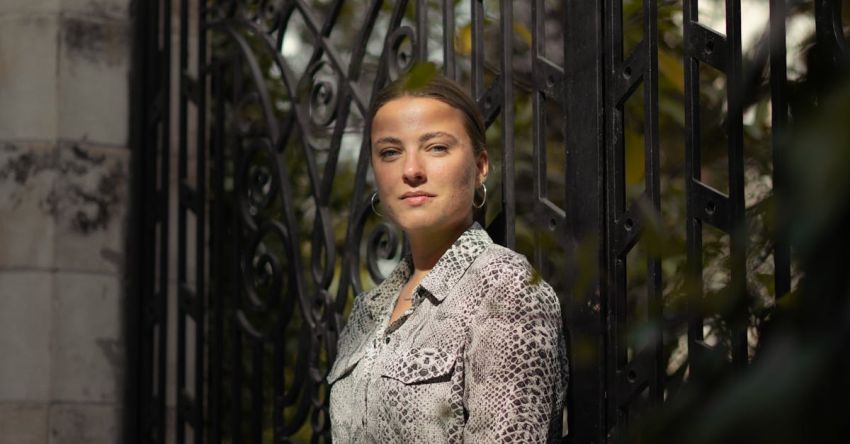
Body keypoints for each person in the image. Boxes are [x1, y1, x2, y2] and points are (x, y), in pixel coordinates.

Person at [327, 74, 567, 443]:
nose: (411, 171)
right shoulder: (366, 310)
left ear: (480, 166)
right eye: (390, 152)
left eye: (436, 147)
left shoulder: (506, 289)